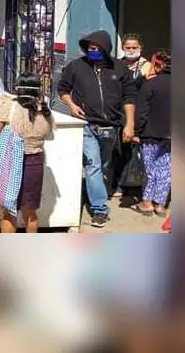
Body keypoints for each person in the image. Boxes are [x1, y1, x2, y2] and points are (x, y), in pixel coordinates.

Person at [57, 30, 137, 228]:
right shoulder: (77, 66)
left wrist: (130, 124)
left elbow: (129, 97)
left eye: (96, 48)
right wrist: (72, 105)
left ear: (105, 48)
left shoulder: (119, 68)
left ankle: (90, 192)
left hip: (111, 127)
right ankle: (100, 209)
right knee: (93, 166)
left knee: (101, 166)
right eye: (90, 48)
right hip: (87, 126)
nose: (92, 51)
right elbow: (63, 89)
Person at [0, 75, 54, 233]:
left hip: (11, 160)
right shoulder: (45, 110)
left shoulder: (10, 106)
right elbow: (48, 134)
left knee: (9, 211)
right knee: (30, 211)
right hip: (35, 161)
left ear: (18, 89)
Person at [113, 33, 154, 199]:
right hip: (117, 112)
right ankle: (118, 183)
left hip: (139, 112)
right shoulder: (118, 65)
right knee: (118, 149)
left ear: (140, 48)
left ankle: (135, 184)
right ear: (122, 48)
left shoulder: (147, 66)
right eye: (127, 47)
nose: (130, 50)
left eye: (134, 47)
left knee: (136, 150)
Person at [132, 50, 172, 218]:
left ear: (160, 65)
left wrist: (136, 131)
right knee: (166, 170)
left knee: (150, 168)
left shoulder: (151, 84)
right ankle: (160, 205)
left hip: (150, 134)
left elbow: (141, 112)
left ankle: (147, 202)